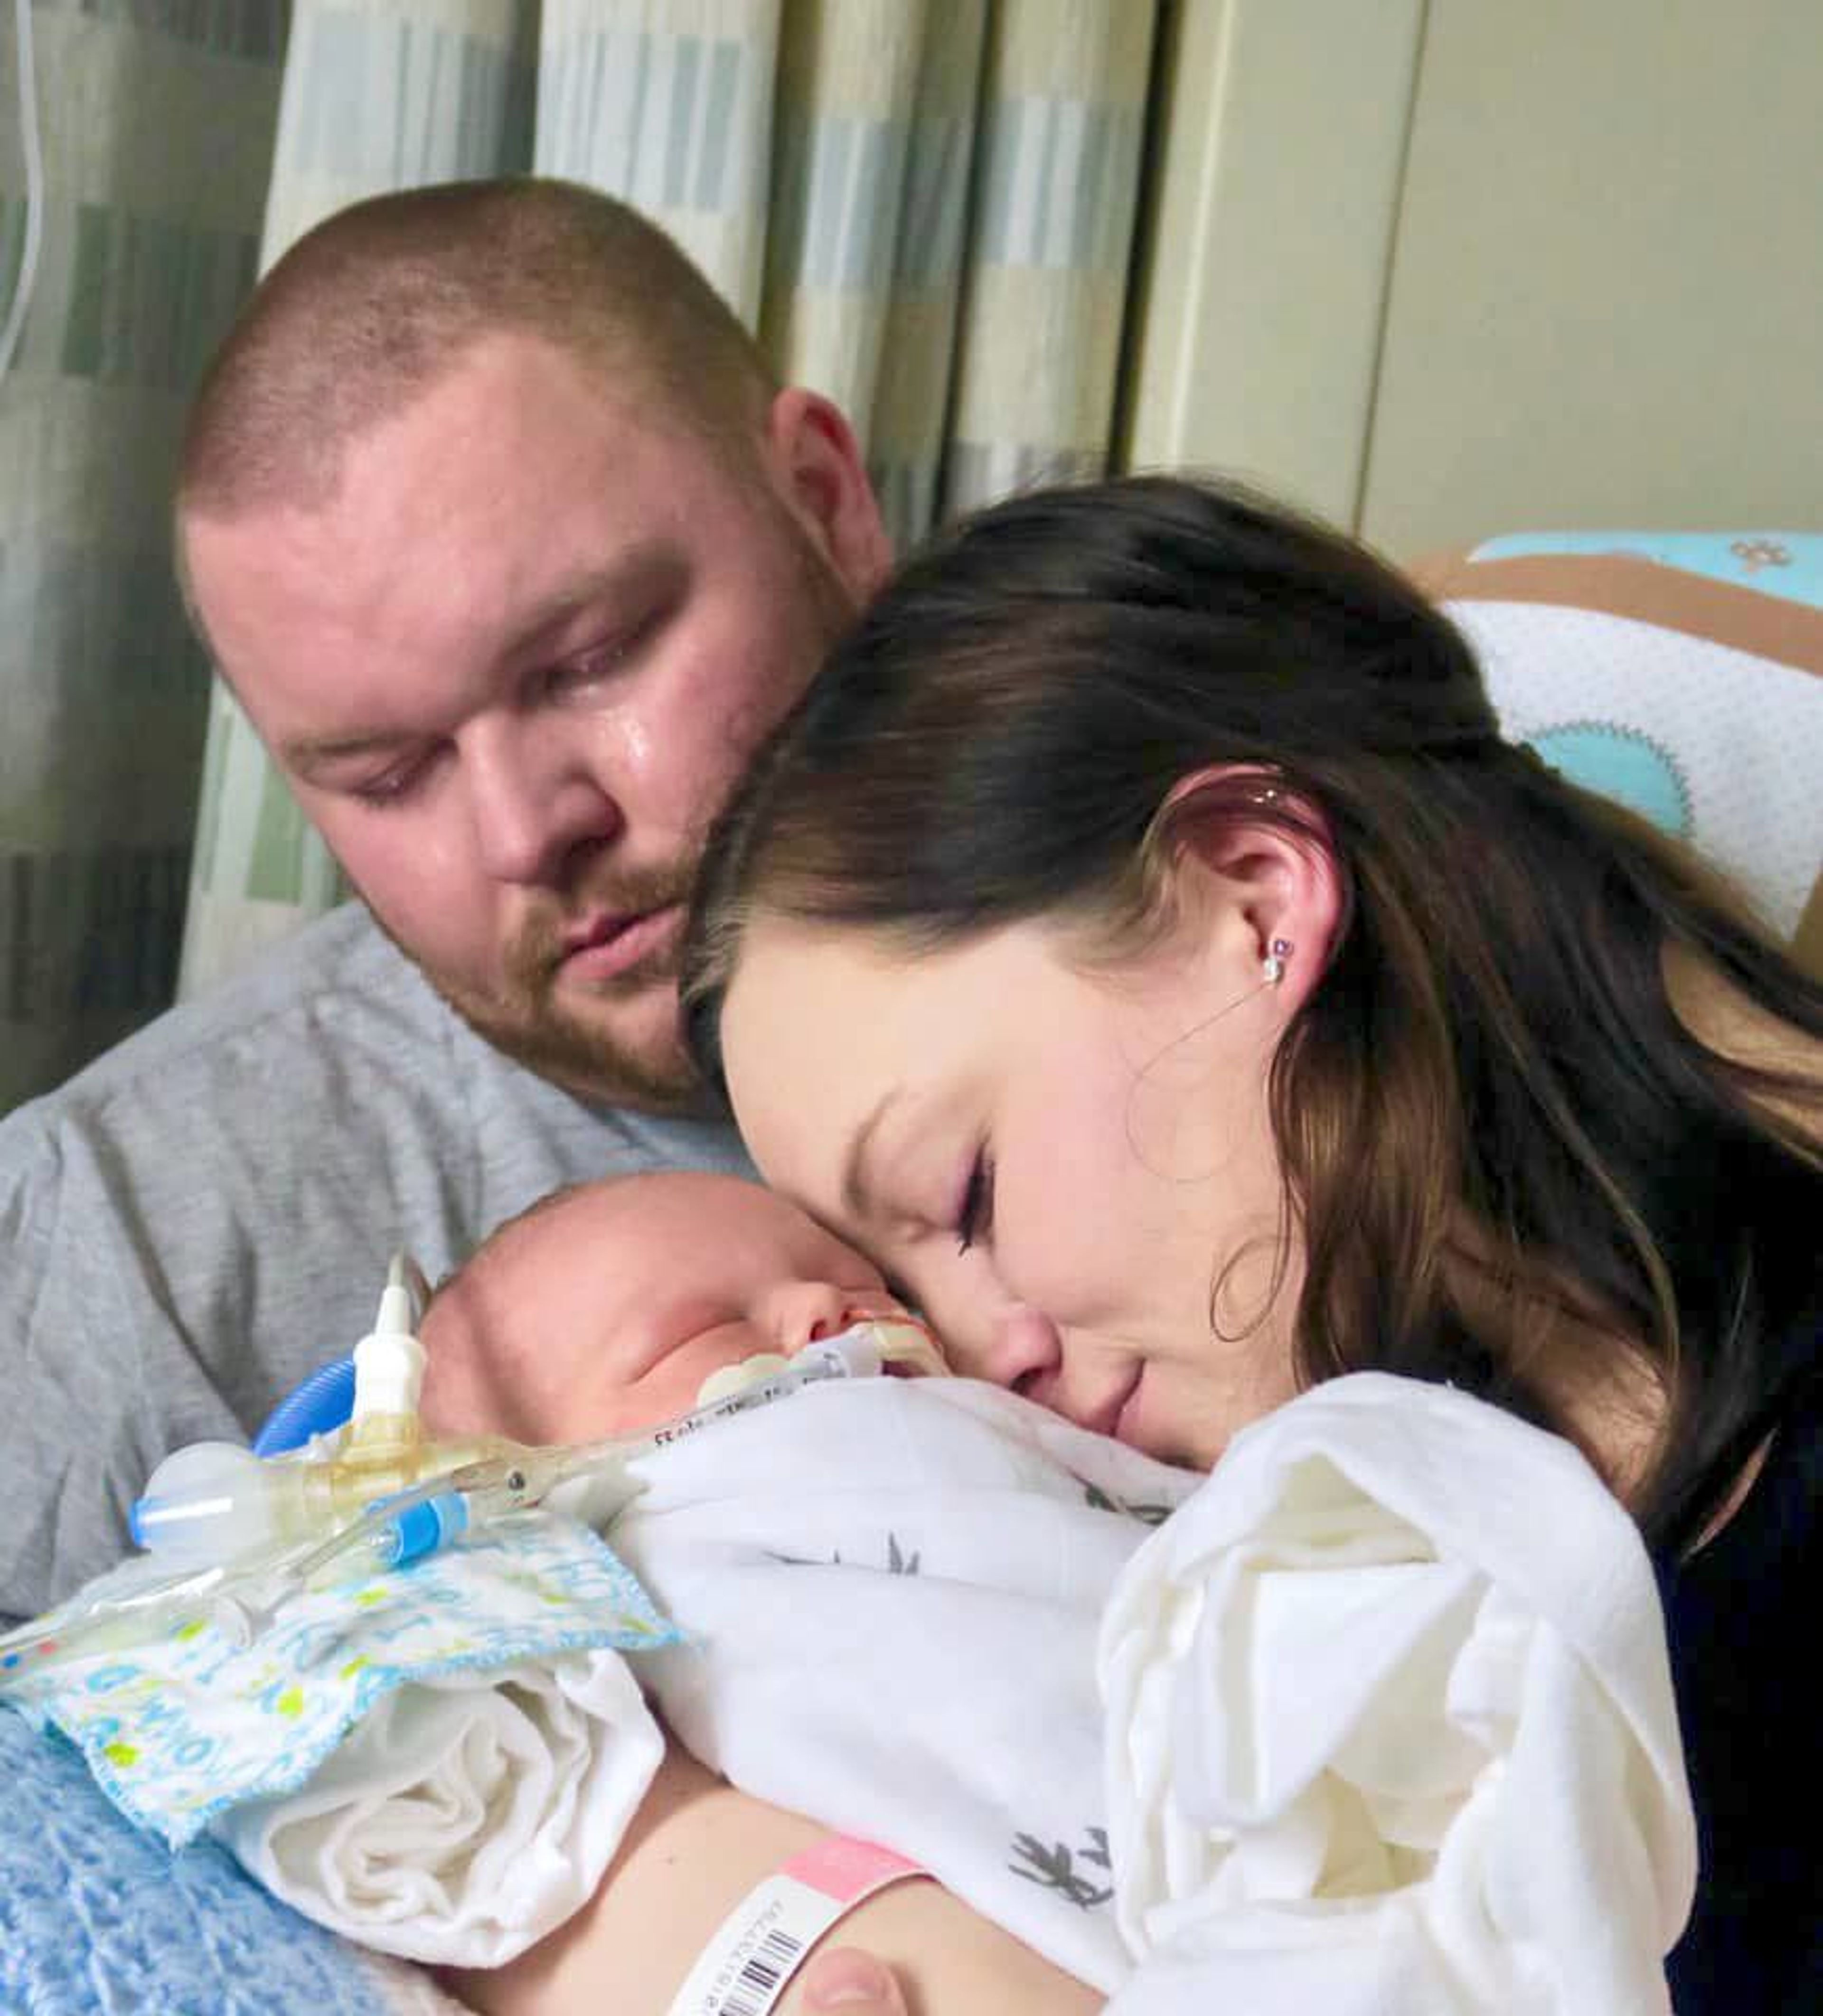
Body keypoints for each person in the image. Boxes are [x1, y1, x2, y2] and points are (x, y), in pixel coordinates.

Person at [679, 474, 1823, 2014]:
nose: (984, 1355)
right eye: (909, 1288)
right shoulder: (1378, 1671)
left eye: (968, 1196)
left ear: (1256, 896)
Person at [0, 177, 890, 1628]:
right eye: (388, 770)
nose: (527, 832)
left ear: (825, 503)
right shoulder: (119, 1252)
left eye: (588, 661)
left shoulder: (1203, 924)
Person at [314, 1168, 1141, 2016]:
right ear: (527, 1481)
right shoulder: (640, 1559)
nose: (826, 1303)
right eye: (704, 1332)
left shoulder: (997, 1422)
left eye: (871, 1284)